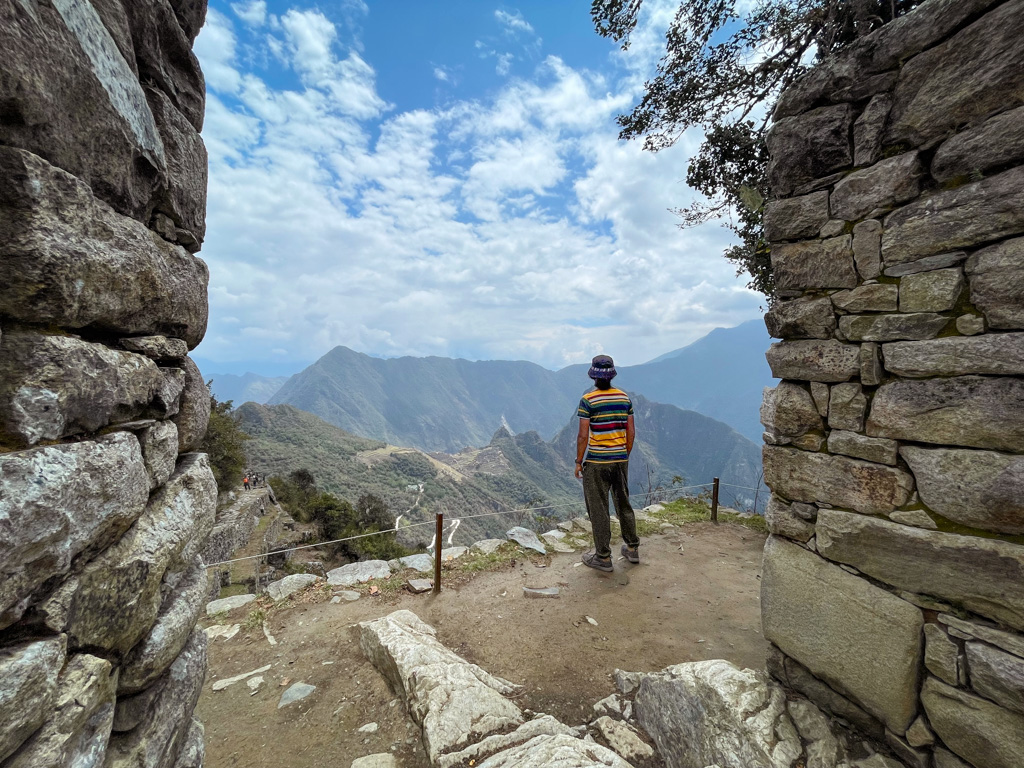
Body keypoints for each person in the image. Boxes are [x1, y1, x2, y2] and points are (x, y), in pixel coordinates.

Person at [574, 354, 640, 572]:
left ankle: (603, 557)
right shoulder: (624, 398)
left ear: (593, 376)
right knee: (624, 503)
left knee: (599, 508)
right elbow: (631, 431)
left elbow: (583, 436)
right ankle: (632, 548)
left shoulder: (588, 400)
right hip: (620, 459)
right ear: (611, 375)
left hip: (597, 462)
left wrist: (578, 461)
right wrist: (624, 454)